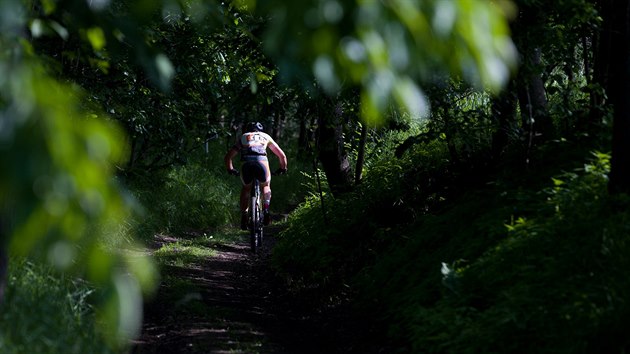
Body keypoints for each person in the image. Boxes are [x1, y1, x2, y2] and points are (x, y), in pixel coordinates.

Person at [224, 122, 288, 230]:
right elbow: (281, 156)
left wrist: (230, 169)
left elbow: (228, 157)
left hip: (246, 163)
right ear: (261, 130)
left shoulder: (244, 137)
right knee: (266, 185)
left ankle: (244, 215)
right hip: (261, 161)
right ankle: (266, 209)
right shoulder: (266, 136)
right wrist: (283, 168)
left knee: (246, 188)